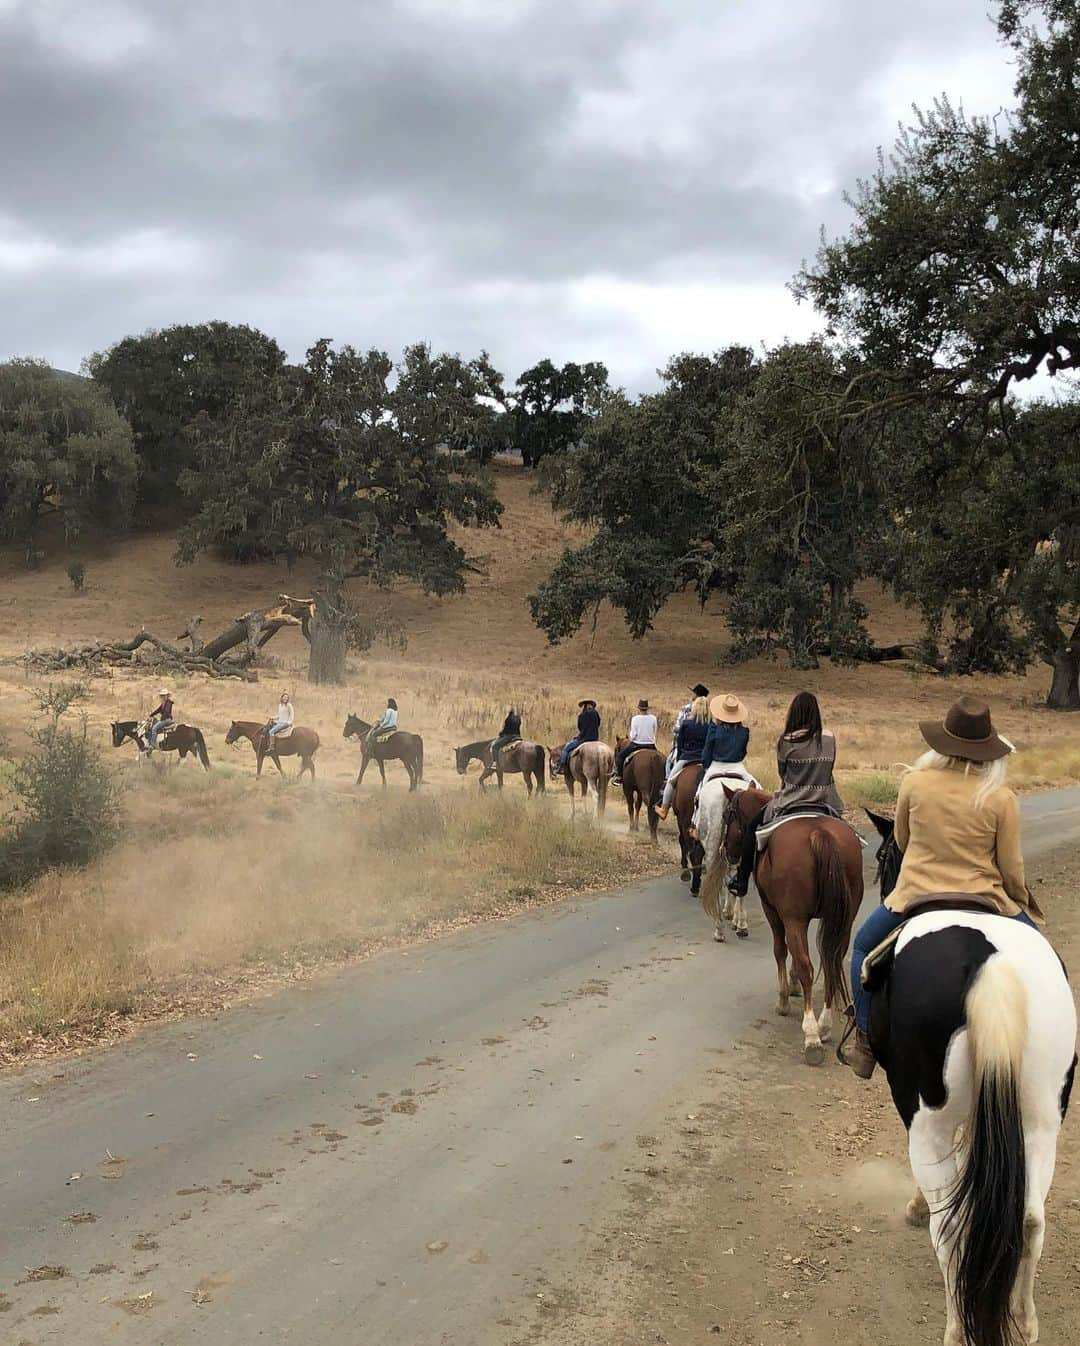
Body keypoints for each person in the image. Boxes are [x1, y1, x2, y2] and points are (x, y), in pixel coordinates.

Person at [842, 696, 1044, 1079]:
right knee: (1049, 962)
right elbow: (1011, 867)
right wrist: (1018, 898)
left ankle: (865, 1040)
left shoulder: (915, 782)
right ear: (988, 749)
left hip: (915, 894)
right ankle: (1046, 1050)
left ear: (943, 742)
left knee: (863, 949)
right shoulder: (1001, 796)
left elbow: (900, 841)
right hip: (987, 897)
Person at [726, 691, 842, 898]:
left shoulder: (785, 741)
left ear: (793, 713)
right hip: (826, 801)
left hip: (792, 800)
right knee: (846, 834)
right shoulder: (830, 738)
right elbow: (829, 767)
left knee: (753, 828)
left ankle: (741, 879)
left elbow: (783, 773)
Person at [656, 696, 711, 820]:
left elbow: (679, 744)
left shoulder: (686, 724)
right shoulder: (711, 726)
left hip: (687, 758)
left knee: (670, 781)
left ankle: (664, 809)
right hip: (706, 761)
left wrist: (680, 757)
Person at [612, 698, 658, 783]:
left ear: (639, 708)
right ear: (647, 708)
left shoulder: (635, 719)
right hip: (651, 745)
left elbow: (633, 736)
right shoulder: (653, 718)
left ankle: (619, 776)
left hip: (637, 744)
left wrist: (631, 737)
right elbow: (654, 732)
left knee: (620, 757)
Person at [559, 699, 601, 772]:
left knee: (566, 748)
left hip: (583, 739)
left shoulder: (582, 715)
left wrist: (579, 736)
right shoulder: (596, 713)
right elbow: (598, 724)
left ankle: (563, 766)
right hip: (595, 738)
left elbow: (580, 728)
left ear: (584, 706)